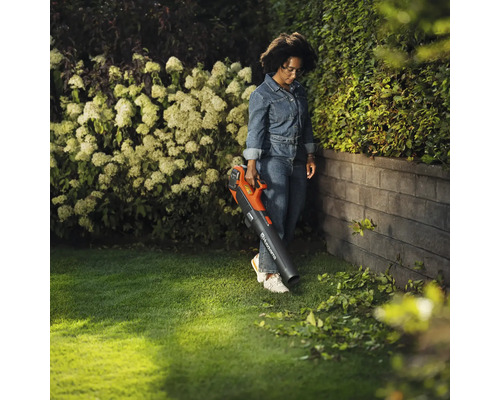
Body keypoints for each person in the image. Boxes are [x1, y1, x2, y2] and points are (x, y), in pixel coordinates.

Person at [243, 32, 318, 293]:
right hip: (273, 160)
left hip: (297, 160)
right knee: (275, 214)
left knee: (292, 214)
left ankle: (262, 260)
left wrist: (309, 155)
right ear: (277, 63)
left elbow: (305, 124)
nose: (293, 76)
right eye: (288, 70)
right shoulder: (262, 95)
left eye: (298, 70)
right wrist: (252, 165)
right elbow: (255, 132)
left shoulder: (299, 92)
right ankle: (268, 272)